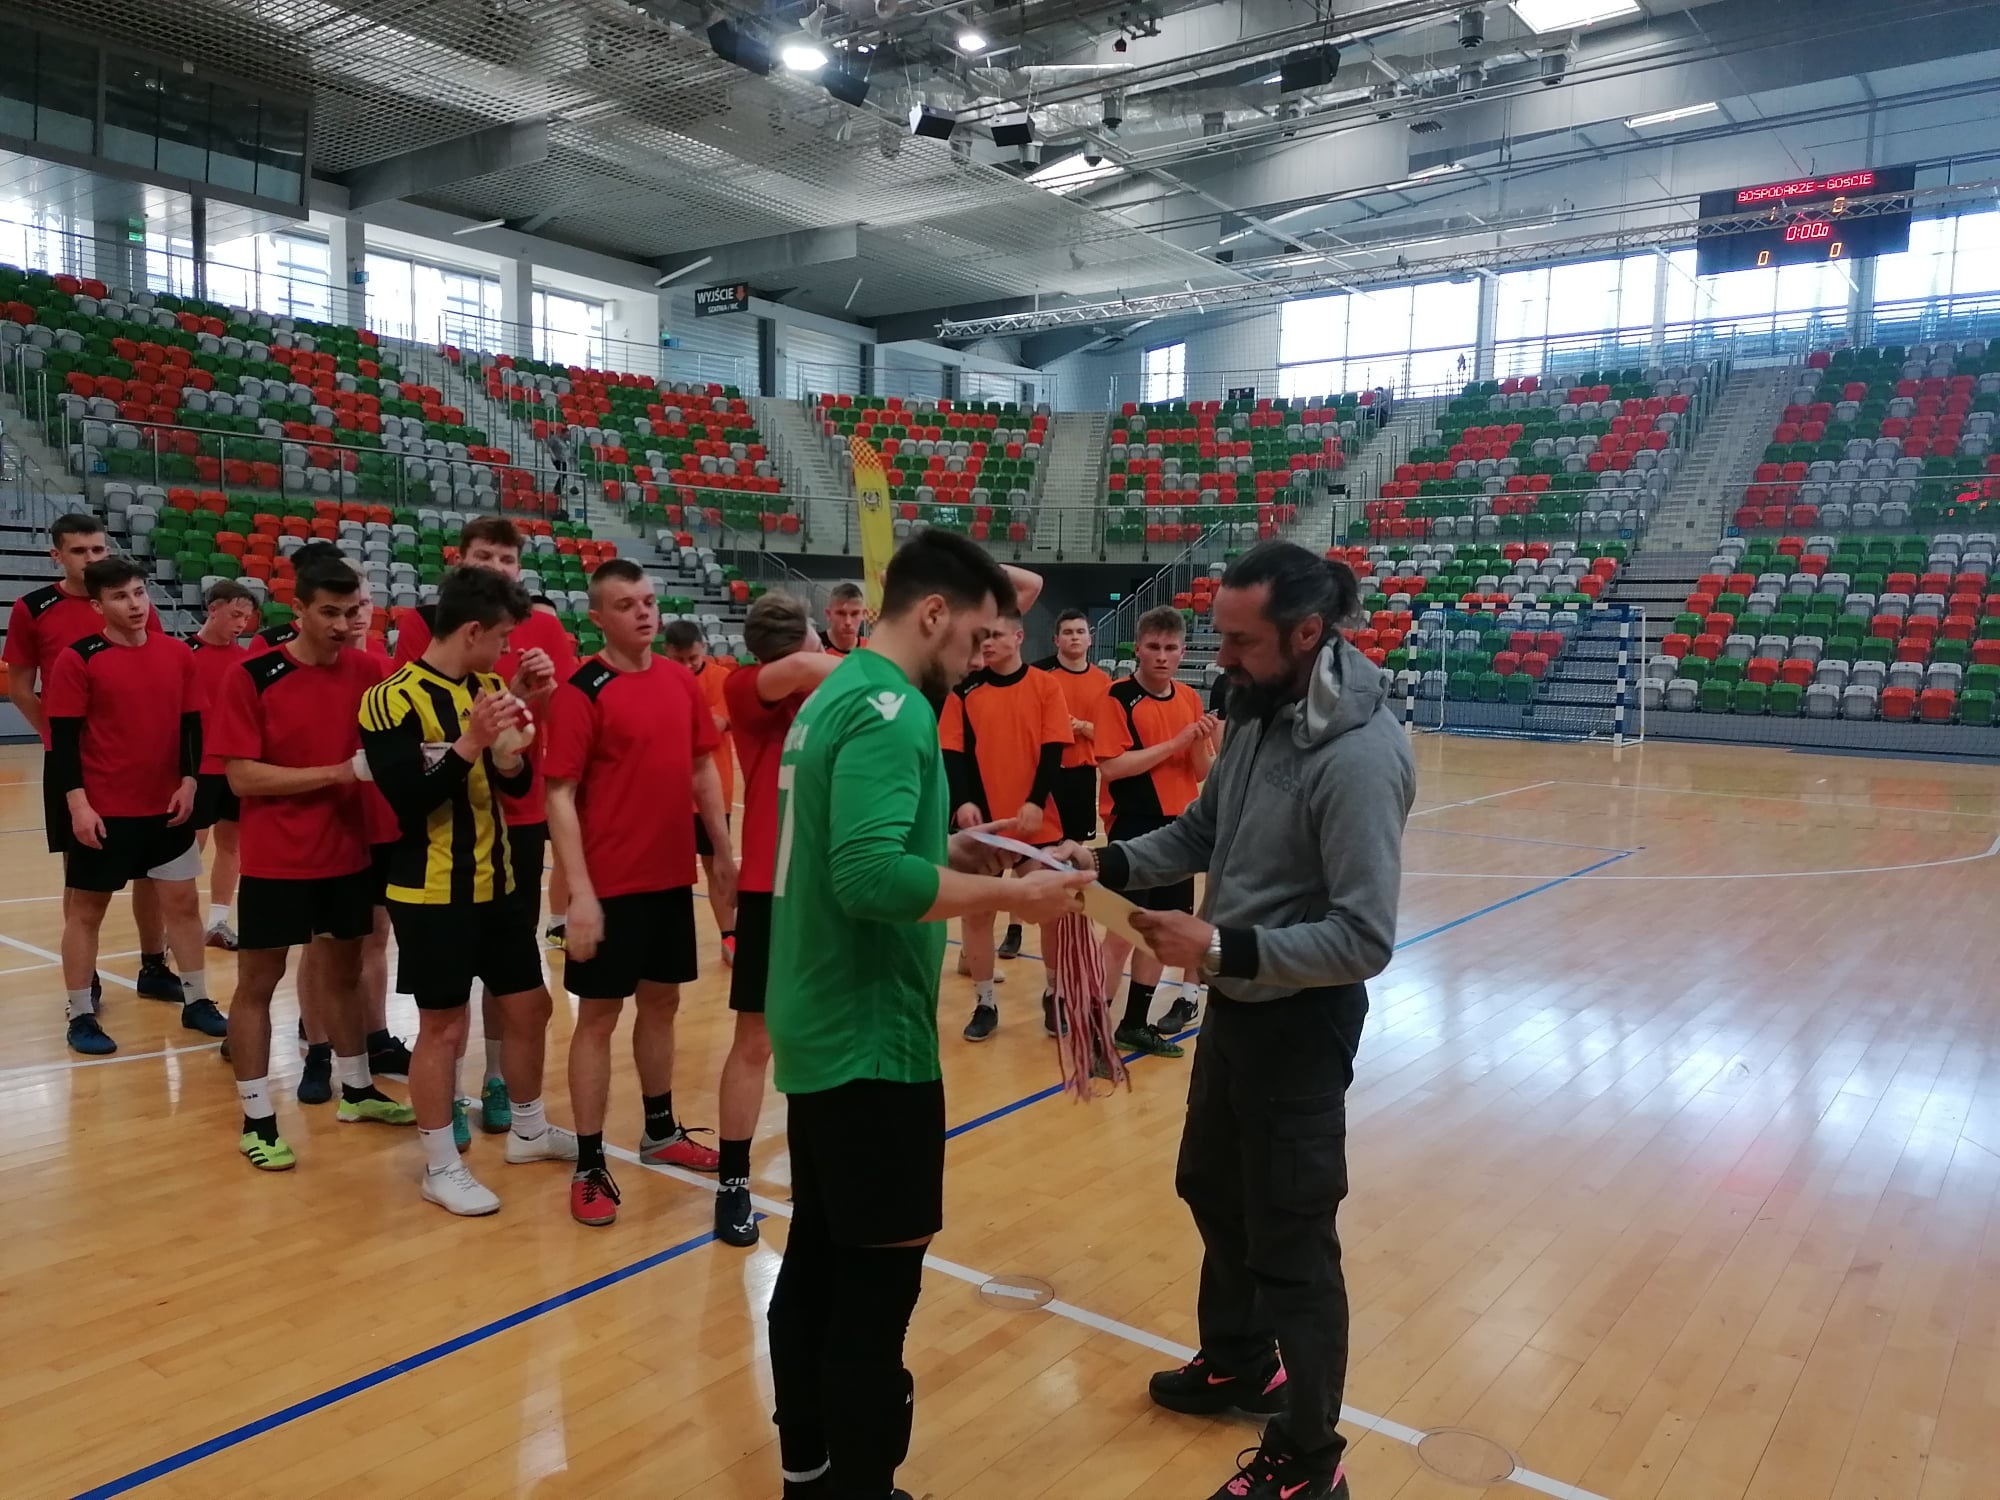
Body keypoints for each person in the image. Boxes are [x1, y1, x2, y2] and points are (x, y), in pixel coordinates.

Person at [1069, 542, 1416, 1500]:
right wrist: (1098, 862)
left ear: (1307, 633)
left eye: (1238, 641)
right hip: (1236, 1008)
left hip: (1301, 1025)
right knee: (1211, 1186)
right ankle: (1239, 1361)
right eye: (1216, 637)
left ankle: (1309, 1460)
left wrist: (1220, 948)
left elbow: (1363, 938)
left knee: (1294, 1247)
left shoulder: (1361, 756)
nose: (1217, 658)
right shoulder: (1256, 711)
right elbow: (1201, 833)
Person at [763, 527, 1092, 1500]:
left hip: (821, 1016)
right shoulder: (892, 707)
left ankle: (808, 1476)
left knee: (818, 1265)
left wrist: (956, 855)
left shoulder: (838, 693)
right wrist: (1012, 896)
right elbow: (868, 878)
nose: (985, 653)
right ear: (934, 613)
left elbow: (863, 849)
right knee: (873, 1297)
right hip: (872, 1036)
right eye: (977, 634)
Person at [360, 567, 577, 1217]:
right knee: (444, 1026)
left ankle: (529, 1131)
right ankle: (440, 1167)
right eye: (503, 637)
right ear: (473, 630)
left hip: (499, 882)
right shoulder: (388, 699)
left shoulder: (490, 688)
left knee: (531, 1007)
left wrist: (509, 748)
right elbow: (408, 799)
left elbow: (516, 786)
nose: (508, 650)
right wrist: (472, 742)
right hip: (431, 891)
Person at [545, 559, 734, 1228]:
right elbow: (559, 796)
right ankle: (590, 1163)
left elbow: (702, 768)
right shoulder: (582, 690)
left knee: (662, 1004)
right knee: (597, 1018)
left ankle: (660, 1130)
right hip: (608, 887)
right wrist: (579, 895)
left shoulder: (680, 681)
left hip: (668, 879)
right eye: (626, 604)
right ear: (598, 617)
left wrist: (723, 854)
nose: (644, 612)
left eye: (649, 601)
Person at [212, 561, 417, 1170]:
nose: (343, 625)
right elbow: (242, 777)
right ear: (298, 609)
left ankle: (357, 1090)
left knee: (345, 975)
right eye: (329, 612)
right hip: (277, 860)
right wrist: (338, 773)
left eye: (353, 613)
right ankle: (257, 1119)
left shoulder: (373, 673)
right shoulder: (253, 676)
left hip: (348, 854)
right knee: (257, 984)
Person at [394, 517, 570, 1136]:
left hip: (515, 817)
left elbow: (548, 722)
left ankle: (500, 1082)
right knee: (446, 991)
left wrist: (532, 697)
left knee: (513, 973)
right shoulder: (424, 625)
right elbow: (423, 731)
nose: (497, 567)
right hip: (446, 827)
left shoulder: (543, 626)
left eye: (507, 558)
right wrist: (487, 723)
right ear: (460, 560)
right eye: (485, 556)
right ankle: (450, 1098)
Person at [43, 558, 224, 1056]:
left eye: (140, 593)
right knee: (87, 912)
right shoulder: (79, 659)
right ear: (97, 606)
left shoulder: (177, 654)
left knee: (183, 906)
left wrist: (190, 781)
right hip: (104, 812)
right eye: (120, 597)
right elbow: (63, 742)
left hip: (166, 809)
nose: (135, 604)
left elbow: (193, 726)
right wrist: (79, 806)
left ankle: (197, 1000)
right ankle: (80, 1012)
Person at [6, 512, 182, 1008]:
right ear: (57, 555)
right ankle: (84, 979)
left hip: (141, 764)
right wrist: (59, 740)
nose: (90, 559)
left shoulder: (133, 605)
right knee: (80, 873)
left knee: (153, 870)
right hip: (77, 766)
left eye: (98, 549)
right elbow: (19, 686)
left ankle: (154, 964)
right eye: (79, 551)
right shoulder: (33, 608)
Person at [712, 592, 842, 1248]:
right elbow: (804, 669)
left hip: (827, 885)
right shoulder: (748, 686)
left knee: (821, 1038)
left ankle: (815, 1171)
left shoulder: (827, 691)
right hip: (771, 884)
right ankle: (732, 1183)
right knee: (756, 1039)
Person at [940, 609, 1072, 1041]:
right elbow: (953, 753)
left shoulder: (1045, 686)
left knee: (1052, 913)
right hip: (987, 828)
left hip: (1038, 825)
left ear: (1018, 637)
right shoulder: (965, 690)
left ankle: (1054, 994)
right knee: (978, 915)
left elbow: (1053, 750)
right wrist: (963, 802)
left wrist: (1035, 801)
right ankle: (985, 1002)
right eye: (983, 637)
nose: (988, 644)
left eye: (996, 635)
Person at [1095, 606, 1222, 1057]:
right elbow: (1112, 767)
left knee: (1159, 931)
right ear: (1138, 648)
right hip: (1132, 826)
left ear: (1183, 651)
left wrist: (1205, 742)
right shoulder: (1117, 696)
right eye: (1154, 647)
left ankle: (1134, 1024)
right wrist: (1175, 742)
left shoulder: (1188, 698)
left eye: (1171, 648)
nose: (1162, 656)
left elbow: (1201, 771)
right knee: (1120, 935)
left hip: (1181, 830)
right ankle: (1093, 1033)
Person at [187, 580, 261, 951]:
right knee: (187, 853)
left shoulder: (245, 661)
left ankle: (217, 923)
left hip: (234, 770)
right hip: (196, 771)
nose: (241, 624)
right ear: (213, 609)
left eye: (247, 618)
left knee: (231, 846)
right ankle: (173, 929)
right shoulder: (183, 655)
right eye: (235, 615)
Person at [661, 619, 737, 962]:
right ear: (667, 652)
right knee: (669, 871)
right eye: (680, 660)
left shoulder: (721, 678)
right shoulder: (658, 678)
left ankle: (730, 935)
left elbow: (716, 723)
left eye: (693, 658)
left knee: (716, 864)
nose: (688, 666)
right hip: (670, 793)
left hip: (714, 792)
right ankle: (668, 939)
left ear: (704, 648)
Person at [1030, 607, 1112, 862]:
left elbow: (1109, 735)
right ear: (1056, 640)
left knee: (1074, 847)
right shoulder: (1037, 675)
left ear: (1090, 638)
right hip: (1044, 772)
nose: (1074, 637)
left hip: (1082, 774)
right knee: (1037, 848)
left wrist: (1082, 726)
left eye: (1080, 632)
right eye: (1067, 632)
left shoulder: (1103, 681)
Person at [822, 581, 867, 656]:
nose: (848, 622)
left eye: (854, 614)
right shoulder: (812, 646)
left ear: (863, 614)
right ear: (828, 614)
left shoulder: (872, 650)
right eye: (841, 613)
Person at [545, 425, 575, 500]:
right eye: (566, 435)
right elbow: (548, 447)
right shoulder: (555, 439)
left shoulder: (566, 442)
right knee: (562, 475)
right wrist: (552, 456)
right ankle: (557, 491)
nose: (567, 436)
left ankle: (558, 490)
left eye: (568, 435)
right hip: (557, 459)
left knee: (564, 475)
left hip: (563, 460)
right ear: (562, 433)